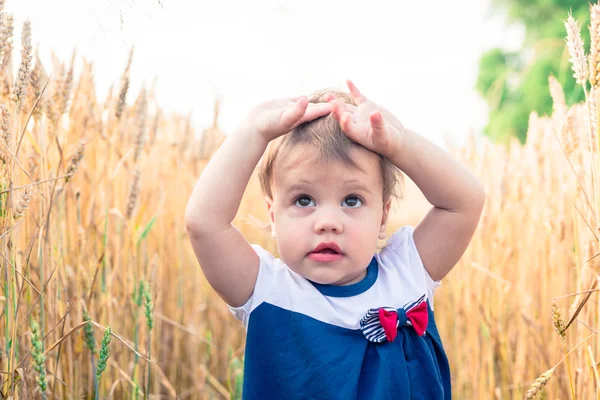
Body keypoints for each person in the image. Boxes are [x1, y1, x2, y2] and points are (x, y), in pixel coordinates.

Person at [185, 80, 485, 399]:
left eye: (351, 200)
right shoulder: (268, 292)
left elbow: (466, 201)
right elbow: (204, 222)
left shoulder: (405, 273)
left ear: (382, 217)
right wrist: (253, 131)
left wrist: (399, 144)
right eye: (304, 200)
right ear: (273, 216)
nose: (328, 223)